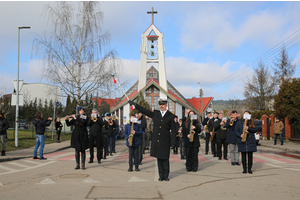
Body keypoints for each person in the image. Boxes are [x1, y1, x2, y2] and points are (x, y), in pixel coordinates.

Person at [129, 98, 176, 181]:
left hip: (165, 140)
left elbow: (174, 130)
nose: (161, 106)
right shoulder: (156, 114)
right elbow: (144, 110)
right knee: (159, 159)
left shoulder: (170, 116)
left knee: (165, 159)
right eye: (160, 104)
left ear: (166, 105)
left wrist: (173, 142)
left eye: (163, 104)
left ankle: (166, 175)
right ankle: (161, 176)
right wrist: (135, 105)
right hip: (157, 140)